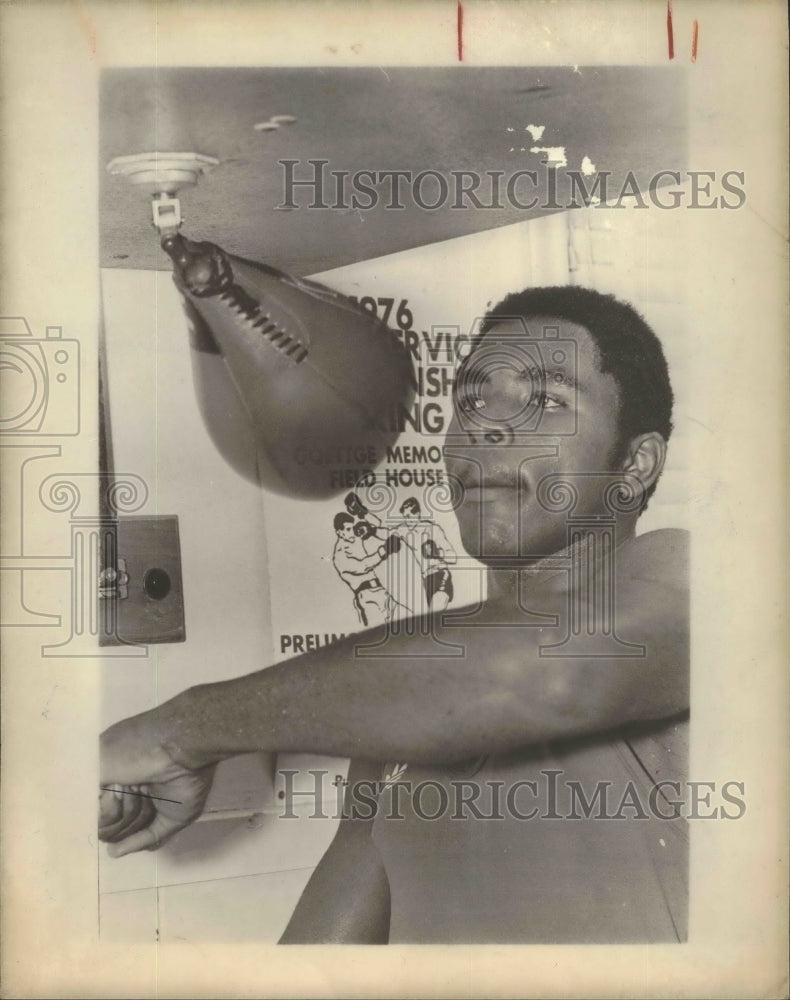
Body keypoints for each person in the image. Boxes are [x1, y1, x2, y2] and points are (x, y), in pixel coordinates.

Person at [99, 285, 689, 945]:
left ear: (635, 465)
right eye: (470, 399)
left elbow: (549, 674)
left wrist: (181, 731)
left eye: (547, 401)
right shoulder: (401, 712)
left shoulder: (697, 588)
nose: (486, 426)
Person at [331, 511, 402, 627]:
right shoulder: (339, 555)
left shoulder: (355, 538)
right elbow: (362, 567)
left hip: (381, 592)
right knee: (378, 633)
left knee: (409, 621)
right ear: (339, 533)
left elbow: (377, 523)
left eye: (352, 528)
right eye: (348, 529)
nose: (352, 532)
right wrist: (384, 551)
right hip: (367, 597)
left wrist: (361, 511)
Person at [393, 496, 458, 613]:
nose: (407, 521)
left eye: (409, 517)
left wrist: (437, 553)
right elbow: (391, 533)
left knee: (434, 615)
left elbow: (453, 557)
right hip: (426, 581)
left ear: (417, 514)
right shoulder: (406, 533)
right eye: (405, 518)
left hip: (441, 575)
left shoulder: (433, 529)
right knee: (432, 621)